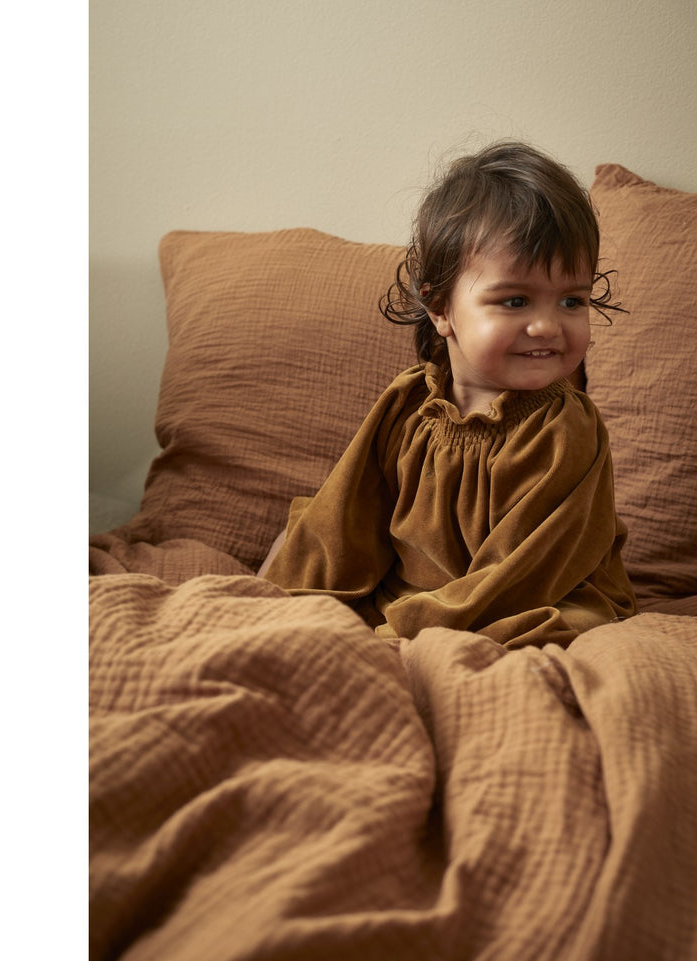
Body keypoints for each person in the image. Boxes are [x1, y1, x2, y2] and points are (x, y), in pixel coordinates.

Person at [262, 140, 637, 648]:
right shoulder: (407, 405)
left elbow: (524, 571)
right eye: (516, 301)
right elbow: (347, 517)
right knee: (302, 533)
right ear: (440, 308)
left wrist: (396, 634)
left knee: (573, 631)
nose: (548, 326)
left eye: (572, 300)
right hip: (411, 605)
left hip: (531, 595)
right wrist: (283, 600)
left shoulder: (565, 428)